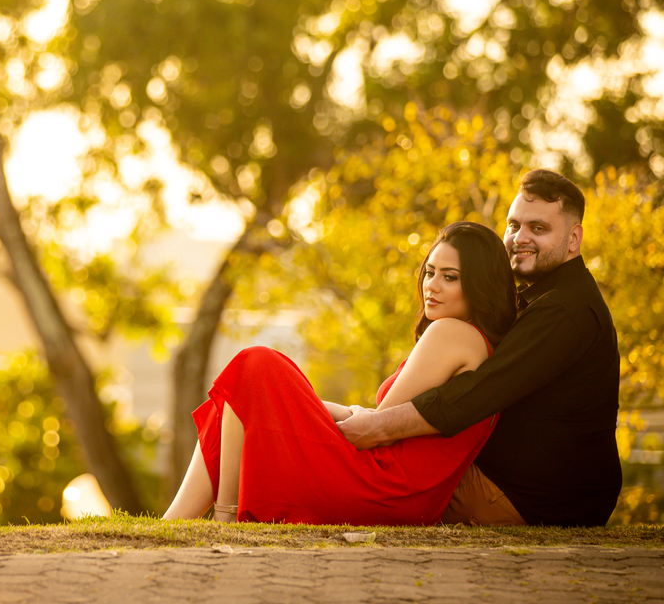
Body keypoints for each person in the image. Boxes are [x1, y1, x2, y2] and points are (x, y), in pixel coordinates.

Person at [163, 221, 518, 524]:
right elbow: (378, 420)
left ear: (479, 286)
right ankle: (178, 522)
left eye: (450, 277)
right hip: (398, 494)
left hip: (381, 487)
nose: (432, 285)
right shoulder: (477, 343)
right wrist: (288, 404)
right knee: (240, 395)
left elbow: (378, 428)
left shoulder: (452, 333)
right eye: (430, 272)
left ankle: (224, 516)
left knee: (254, 364)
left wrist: (289, 404)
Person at [337, 169, 621, 527]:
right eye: (514, 225)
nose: (520, 238)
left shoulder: (565, 310)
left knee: (366, 477)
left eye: (538, 228)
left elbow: (478, 393)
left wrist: (379, 426)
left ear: (573, 238)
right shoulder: (539, 299)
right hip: (526, 491)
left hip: (527, 498)